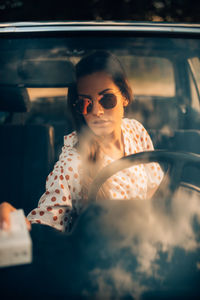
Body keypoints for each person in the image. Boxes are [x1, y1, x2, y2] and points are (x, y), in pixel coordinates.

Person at [0, 50, 163, 233]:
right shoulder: (73, 162)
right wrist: (16, 222)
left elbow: (156, 186)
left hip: (150, 241)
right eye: (86, 103)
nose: (97, 112)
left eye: (107, 99)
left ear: (124, 96)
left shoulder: (135, 130)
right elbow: (48, 220)